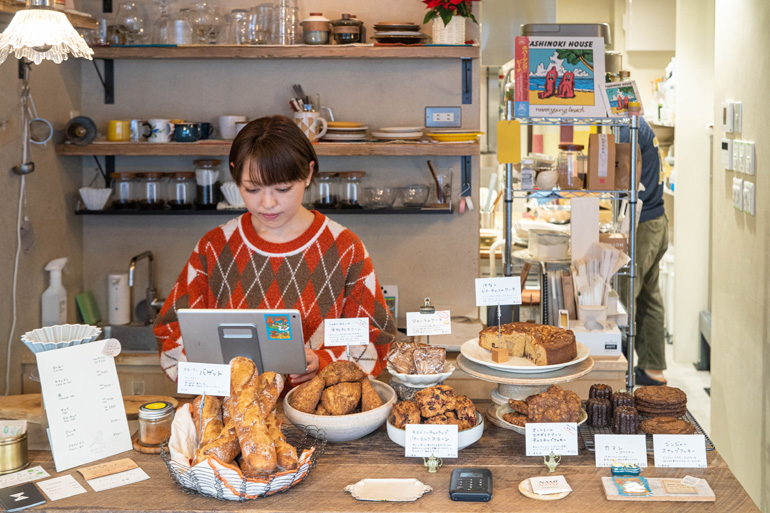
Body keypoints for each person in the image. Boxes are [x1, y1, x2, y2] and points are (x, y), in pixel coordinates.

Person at [153, 115, 397, 385]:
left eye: (282, 188)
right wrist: (221, 376)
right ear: (234, 173)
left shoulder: (344, 248)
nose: (267, 203)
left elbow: (377, 339)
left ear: (308, 173)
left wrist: (324, 362)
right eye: (252, 189)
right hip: (234, 418)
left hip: (318, 418)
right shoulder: (214, 246)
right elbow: (170, 333)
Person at [619, 116, 668, 386]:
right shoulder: (641, 125)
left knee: (627, 296)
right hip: (658, 220)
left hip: (644, 224)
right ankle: (652, 370)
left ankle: (622, 373)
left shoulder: (629, 128)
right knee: (650, 296)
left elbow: (626, 177)